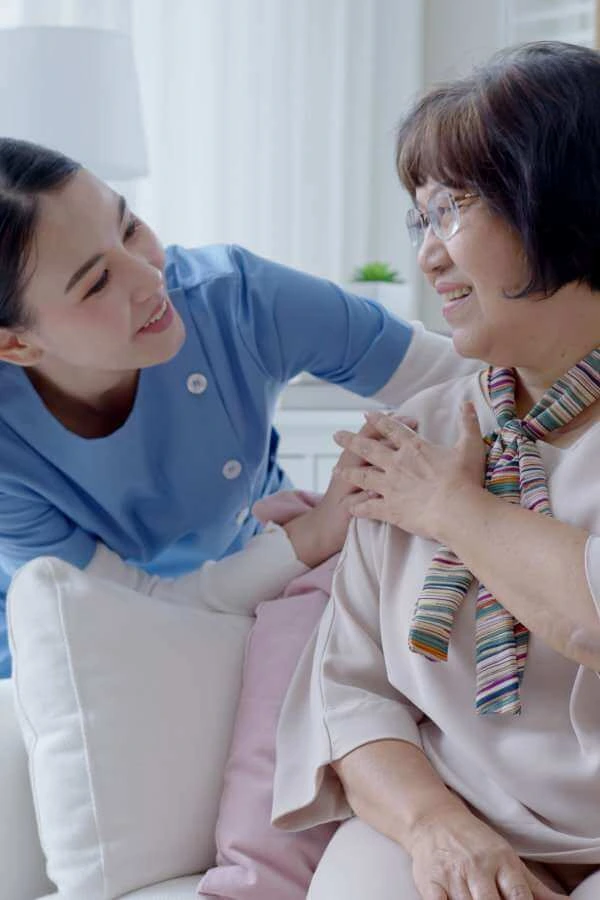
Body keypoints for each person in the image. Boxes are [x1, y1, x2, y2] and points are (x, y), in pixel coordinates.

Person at [272, 41, 600, 900]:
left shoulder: (423, 474)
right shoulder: (415, 434)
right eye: (421, 218)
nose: (427, 256)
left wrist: (451, 509)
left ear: (564, 203)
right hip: (456, 818)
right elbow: (349, 692)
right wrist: (437, 829)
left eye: (454, 209)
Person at [0, 137, 477, 678]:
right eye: (98, 282)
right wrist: (316, 533)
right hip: (84, 643)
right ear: (15, 345)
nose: (149, 276)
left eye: (128, 226)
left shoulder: (235, 299)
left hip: (264, 582)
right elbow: (127, 610)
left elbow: (460, 377)